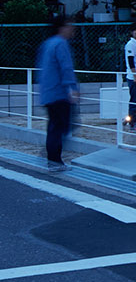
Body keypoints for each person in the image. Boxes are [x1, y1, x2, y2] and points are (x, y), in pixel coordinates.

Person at [36, 16, 78, 169]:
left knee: (54, 126)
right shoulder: (61, 43)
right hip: (59, 93)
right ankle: (54, 159)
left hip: (48, 93)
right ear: (62, 27)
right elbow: (66, 68)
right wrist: (73, 88)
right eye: (70, 26)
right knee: (63, 126)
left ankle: (51, 157)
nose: (72, 29)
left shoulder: (47, 43)